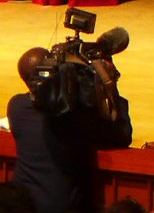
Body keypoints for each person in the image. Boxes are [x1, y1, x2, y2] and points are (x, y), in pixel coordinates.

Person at [6, 47, 133, 213]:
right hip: (65, 207)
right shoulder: (72, 115)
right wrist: (110, 83)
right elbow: (123, 135)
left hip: (24, 204)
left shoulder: (16, 106)